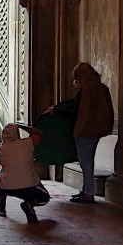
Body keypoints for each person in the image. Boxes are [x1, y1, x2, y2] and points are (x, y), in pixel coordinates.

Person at [49, 62, 115, 204]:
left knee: (85, 163)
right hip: (97, 130)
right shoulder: (102, 88)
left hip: (85, 130)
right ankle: (86, 190)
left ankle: (88, 192)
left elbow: (80, 113)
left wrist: (58, 112)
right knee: (88, 161)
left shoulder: (86, 91)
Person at [0, 123, 50, 223]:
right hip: (28, 187)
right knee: (45, 196)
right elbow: (38, 133)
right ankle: (30, 203)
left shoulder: (0, 149)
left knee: (4, 173)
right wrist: (21, 126)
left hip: (7, 188)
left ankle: (1, 206)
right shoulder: (27, 144)